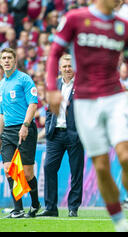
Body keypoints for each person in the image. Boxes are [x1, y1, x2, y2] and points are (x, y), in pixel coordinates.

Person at [46, 0, 128, 232]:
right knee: (102, 167)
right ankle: (120, 224)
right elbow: (54, 53)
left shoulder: (125, 26)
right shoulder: (75, 18)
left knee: (125, 156)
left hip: (115, 98)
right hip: (84, 103)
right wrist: (51, 88)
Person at [0, 47, 40, 218]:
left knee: (27, 173)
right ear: (0, 61)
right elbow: (2, 113)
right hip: (7, 131)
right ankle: (18, 209)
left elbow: (33, 104)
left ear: (15, 61)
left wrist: (26, 125)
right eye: (3, 58)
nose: (6, 60)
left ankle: (35, 204)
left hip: (25, 128)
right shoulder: (1, 85)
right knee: (8, 170)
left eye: (9, 58)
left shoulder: (24, 79)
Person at [37, 54, 84, 218]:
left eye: (70, 66)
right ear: (59, 68)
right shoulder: (54, 85)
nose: (67, 69)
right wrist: (48, 127)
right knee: (49, 167)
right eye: (64, 66)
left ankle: (73, 207)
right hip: (55, 133)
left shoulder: (83, 84)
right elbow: (49, 109)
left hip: (75, 134)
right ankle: (51, 207)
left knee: (76, 172)